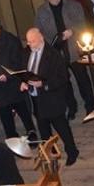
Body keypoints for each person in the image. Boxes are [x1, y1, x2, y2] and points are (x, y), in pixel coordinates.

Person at [34, 0, 94, 117]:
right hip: (55, 52)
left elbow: (83, 24)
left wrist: (72, 31)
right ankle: (71, 107)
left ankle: (90, 105)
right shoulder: (42, 11)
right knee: (64, 82)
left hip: (74, 49)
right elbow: (38, 30)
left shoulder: (74, 6)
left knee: (82, 79)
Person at [22, 28, 79, 165]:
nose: (30, 45)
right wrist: (24, 82)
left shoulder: (53, 55)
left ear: (41, 38)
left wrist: (43, 84)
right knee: (44, 130)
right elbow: (25, 71)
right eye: (28, 42)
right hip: (36, 99)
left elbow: (62, 78)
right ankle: (51, 155)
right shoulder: (27, 52)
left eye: (33, 41)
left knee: (62, 128)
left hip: (52, 99)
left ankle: (72, 152)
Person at [0, 15, 37, 139]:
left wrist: (8, 75)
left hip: (13, 84)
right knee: (4, 114)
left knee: (22, 110)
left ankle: (32, 133)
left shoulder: (11, 40)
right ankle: (12, 137)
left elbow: (19, 62)